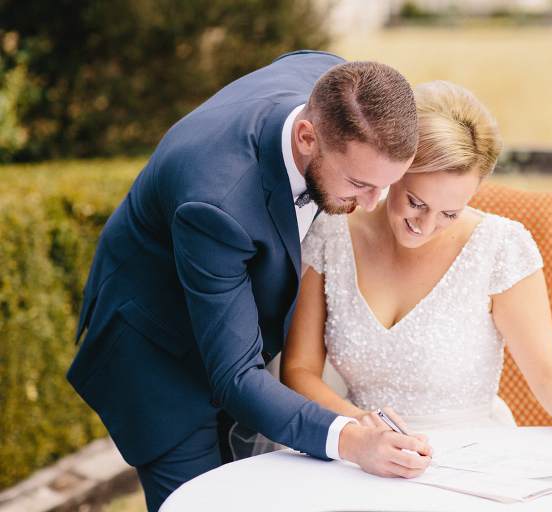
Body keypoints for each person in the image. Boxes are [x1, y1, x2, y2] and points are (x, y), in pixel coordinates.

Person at [66, 51, 433, 512]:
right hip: (159, 355)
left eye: (387, 184)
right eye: (360, 183)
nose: (375, 203)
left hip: (235, 333)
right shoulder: (216, 203)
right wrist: (354, 442)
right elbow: (235, 377)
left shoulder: (342, 88)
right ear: (306, 137)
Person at [281, 80, 552, 460]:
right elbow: (299, 369)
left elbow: (549, 373)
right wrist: (358, 428)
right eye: (415, 202)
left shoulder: (501, 248)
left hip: (472, 455)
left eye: (449, 213)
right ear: (394, 169)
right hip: (362, 455)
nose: (425, 225)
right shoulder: (330, 234)